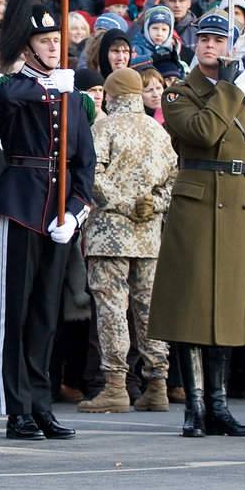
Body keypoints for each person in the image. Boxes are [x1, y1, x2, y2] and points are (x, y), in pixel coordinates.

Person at [148, 11, 245, 438]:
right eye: (203, 39)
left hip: (239, 207)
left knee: (225, 310)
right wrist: (228, 86)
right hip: (198, 208)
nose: (210, 46)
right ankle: (196, 405)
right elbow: (201, 132)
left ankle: (219, 406)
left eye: (219, 41)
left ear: (231, 47)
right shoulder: (180, 94)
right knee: (192, 309)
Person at [0, 0, 95, 440]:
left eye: (57, 40)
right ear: (27, 47)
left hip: (58, 213)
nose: (54, 46)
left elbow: (84, 161)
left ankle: (41, 402)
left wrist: (75, 211)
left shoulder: (71, 96)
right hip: (22, 205)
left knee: (47, 313)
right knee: (17, 311)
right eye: (44, 40)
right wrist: (45, 86)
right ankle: (17, 407)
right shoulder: (14, 87)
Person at [78, 68, 175, 414]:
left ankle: (116, 385)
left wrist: (121, 203)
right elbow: (172, 180)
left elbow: (92, 174)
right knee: (150, 310)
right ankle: (157, 384)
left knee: (112, 310)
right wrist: (153, 205)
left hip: (109, 234)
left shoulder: (102, 127)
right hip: (148, 234)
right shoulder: (157, 131)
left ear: (111, 93)